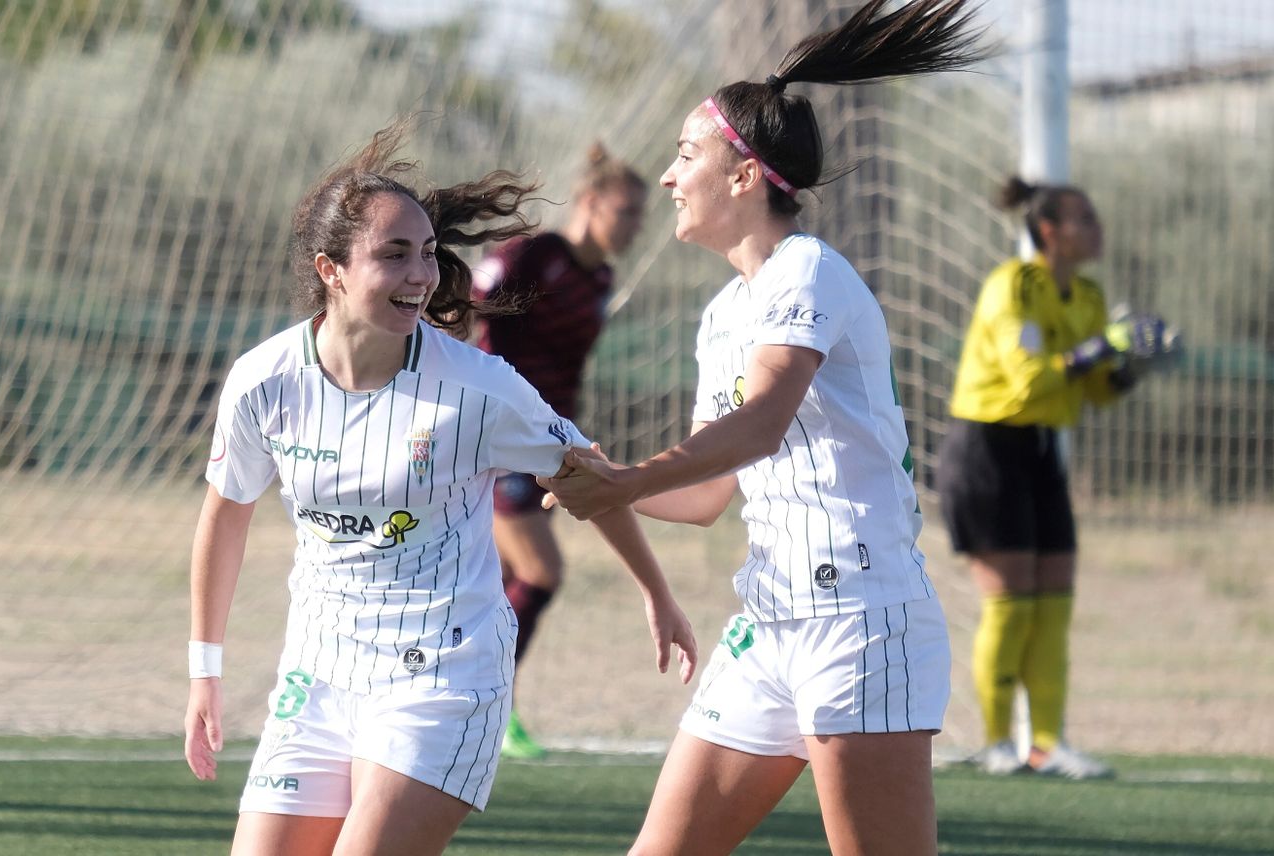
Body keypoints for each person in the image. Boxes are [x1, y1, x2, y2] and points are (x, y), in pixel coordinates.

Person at [539, 2, 988, 852]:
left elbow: (760, 424)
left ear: (743, 176)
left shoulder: (808, 270)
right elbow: (710, 490)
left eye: (684, 156)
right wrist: (588, 476)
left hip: (861, 619)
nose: (668, 179)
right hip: (769, 620)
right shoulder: (722, 315)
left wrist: (630, 481)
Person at [182, 121, 698, 856]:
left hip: (441, 677)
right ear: (330, 269)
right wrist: (205, 670)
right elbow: (225, 515)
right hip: (317, 676)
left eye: (427, 253)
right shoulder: (264, 383)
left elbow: (588, 477)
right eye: (395, 255)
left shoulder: (480, 390)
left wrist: (658, 591)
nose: (422, 275)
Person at [939, 176, 1174, 780]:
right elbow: (1029, 382)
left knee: (1053, 603)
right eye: (1084, 218)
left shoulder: (1089, 295)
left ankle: (1046, 744)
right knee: (1011, 605)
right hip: (987, 447)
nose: (1097, 228)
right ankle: (996, 743)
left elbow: (1095, 392)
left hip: (1042, 451)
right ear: (1050, 231)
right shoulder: (1011, 286)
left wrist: (1132, 365)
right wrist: (1101, 348)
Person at [469, 142, 649, 760]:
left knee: (494, 579)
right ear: (591, 202)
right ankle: (489, 704)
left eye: (639, 216)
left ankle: (473, 700)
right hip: (500, 436)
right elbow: (467, 317)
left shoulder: (599, 276)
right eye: (625, 211)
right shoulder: (532, 256)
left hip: (549, 436)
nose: (633, 226)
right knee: (541, 572)